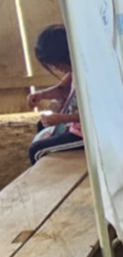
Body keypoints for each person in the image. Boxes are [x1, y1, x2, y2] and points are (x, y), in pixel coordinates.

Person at [26, 25, 84, 164]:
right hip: (76, 127)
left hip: (86, 135)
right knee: (42, 125)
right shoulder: (74, 70)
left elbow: (93, 117)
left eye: (56, 64)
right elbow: (61, 89)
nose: (56, 68)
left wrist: (62, 118)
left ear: (65, 56)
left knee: (36, 150)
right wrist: (41, 94)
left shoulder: (87, 74)